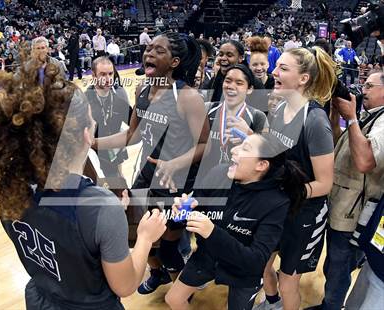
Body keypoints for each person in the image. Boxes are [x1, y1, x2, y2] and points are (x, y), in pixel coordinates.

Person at [0, 60, 167, 309]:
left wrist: (105, 209)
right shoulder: (101, 208)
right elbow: (124, 286)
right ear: (85, 134)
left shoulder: (10, 190)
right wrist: (145, 237)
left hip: (41, 299)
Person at [93, 32, 209, 294]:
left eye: (159, 50)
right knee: (137, 234)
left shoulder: (188, 97)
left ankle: (183, 290)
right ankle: (158, 274)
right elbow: (132, 136)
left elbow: (205, 144)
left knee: (167, 248)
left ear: (175, 62)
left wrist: (175, 163)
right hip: (149, 172)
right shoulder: (144, 91)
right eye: (148, 49)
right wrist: (94, 143)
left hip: (177, 181)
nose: (149, 54)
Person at [165, 133, 308, 310]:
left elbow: (256, 261)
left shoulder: (276, 203)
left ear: (261, 165)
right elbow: (194, 212)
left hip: (244, 272)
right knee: (173, 298)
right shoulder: (217, 173)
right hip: (208, 256)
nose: (233, 150)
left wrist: (212, 232)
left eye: (245, 148)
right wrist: (182, 212)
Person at [255, 47, 336, 310]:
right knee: (263, 262)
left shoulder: (315, 121)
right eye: (275, 66)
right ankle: (272, 302)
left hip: (305, 213)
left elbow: (325, 184)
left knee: (288, 279)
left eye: (282, 68)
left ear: (303, 78)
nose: (273, 72)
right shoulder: (278, 111)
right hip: (280, 206)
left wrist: (287, 191)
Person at [307, 71, 384, 310]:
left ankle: (331, 307)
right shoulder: (368, 116)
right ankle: (328, 304)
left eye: (370, 86)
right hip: (341, 205)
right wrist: (335, 115)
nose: (364, 89)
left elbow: (364, 162)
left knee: (338, 269)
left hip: (354, 214)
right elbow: (338, 145)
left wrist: (351, 117)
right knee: (333, 265)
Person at [195, 64, 267, 181]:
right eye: (228, 81)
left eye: (239, 83)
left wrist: (249, 135)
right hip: (204, 179)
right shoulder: (207, 109)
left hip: (237, 183)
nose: (231, 86)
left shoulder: (257, 117)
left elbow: (266, 155)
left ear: (249, 89)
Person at [85, 56, 132, 177]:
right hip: (93, 158)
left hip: (113, 154)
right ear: (94, 76)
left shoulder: (120, 96)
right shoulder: (84, 100)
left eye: (110, 74)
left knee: (118, 185)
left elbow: (135, 125)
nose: (108, 79)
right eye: (103, 74)